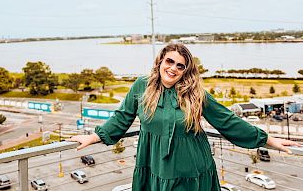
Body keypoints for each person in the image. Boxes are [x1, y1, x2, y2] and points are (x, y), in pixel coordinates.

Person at [69, 43, 300, 191]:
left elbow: (228, 121)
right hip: (152, 164)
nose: (173, 69)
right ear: (160, 62)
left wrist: (269, 140)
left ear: (186, 71)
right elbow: (122, 118)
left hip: (191, 169)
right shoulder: (141, 86)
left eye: (180, 66)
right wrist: (93, 136)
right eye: (170, 61)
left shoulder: (196, 94)